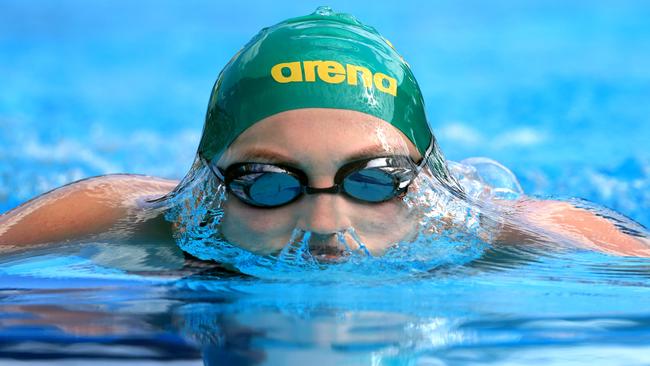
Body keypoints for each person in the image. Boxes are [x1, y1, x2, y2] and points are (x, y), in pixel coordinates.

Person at [0, 7, 648, 268]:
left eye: (373, 179)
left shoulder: (504, 233)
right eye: (267, 183)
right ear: (206, 188)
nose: (326, 223)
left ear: (427, 182)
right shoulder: (139, 220)